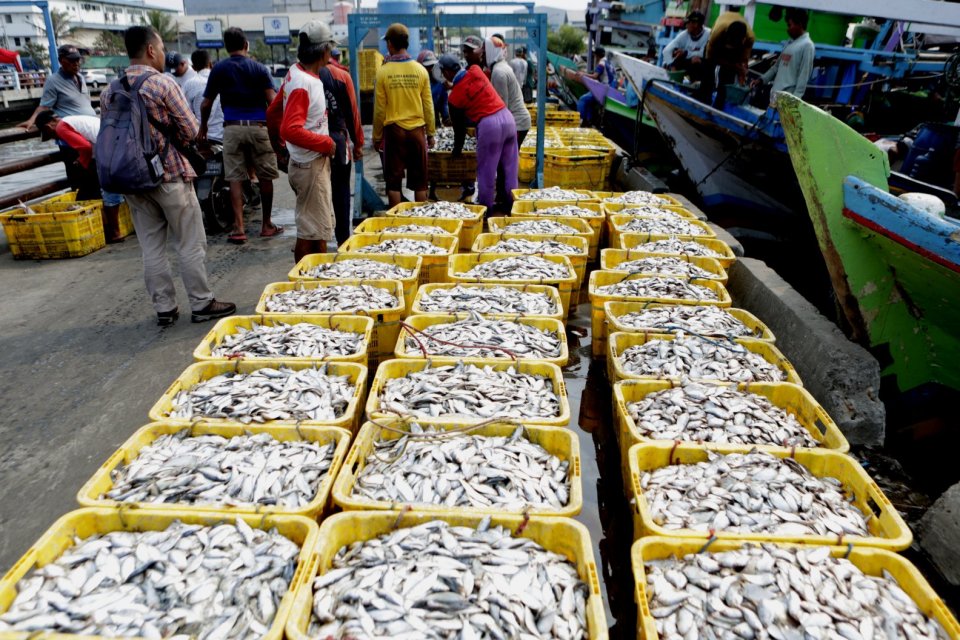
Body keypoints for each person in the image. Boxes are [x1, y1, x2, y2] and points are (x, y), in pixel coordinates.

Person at [101, 25, 235, 326]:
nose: (164, 55)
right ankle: (202, 303)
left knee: (151, 247)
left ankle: (164, 308)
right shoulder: (162, 84)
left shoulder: (110, 89)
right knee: (189, 242)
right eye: (161, 49)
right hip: (170, 176)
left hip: (132, 181)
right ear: (150, 50)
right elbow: (190, 130)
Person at [200, 26, 282, 244]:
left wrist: (203, 128)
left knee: (235, 177)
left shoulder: (218, 70)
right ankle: (267, 225)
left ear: (226, 47)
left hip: (232, 128)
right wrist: (276, 131)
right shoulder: (258, 68)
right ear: (246, 45)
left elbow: (206, 103)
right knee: (265, 176)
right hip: (258, 126)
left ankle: (238, 228)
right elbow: (273, 102)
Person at [267, 20, 337, 262]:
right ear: (324, 51)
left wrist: (280, 149)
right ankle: (306, 286)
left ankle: (318, 277)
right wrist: (326, 144)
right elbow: (291, 129)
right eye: (330, 48)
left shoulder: (294, 72)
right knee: (309, 232)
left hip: (303, 163)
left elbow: (273, 113)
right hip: (310, 167)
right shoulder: (306, 83)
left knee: (317, 227)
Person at [443, 51, 518, 211]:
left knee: (486, 172)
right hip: (508, 118)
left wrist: (456, 151)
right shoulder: (476, 70)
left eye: (443, 72)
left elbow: (460, 130)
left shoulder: (453, 98)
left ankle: (486, 210)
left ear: (447, 72)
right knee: (510, 169)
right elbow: (468, 76)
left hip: (490, 126)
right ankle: (513, 206)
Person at [34, 111, 124, 243]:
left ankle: (115, 233)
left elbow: (85, 147)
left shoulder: (61, 127)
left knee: (108, 191)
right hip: (113, 143)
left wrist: (81, 162)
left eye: (51, 136)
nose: (55, 138)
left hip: (108, 149)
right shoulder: (71, 120)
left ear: (48, 127)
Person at [372, 23, 435, 207]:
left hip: (394, 133)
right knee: (420, 182)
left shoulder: (383, 72)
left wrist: (377, 137)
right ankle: (420, 222)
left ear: (390, 44)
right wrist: (431, 133)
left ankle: (397, 221)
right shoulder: (420, 70)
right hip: (417, 132)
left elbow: (379, 111)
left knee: (393, 183)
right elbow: (428, 106)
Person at [319, 35, 362, 246]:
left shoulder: (297, 76)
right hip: (337, 140)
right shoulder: (341, 76)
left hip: (308, 143)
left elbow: (276, 112)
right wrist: (358, 144)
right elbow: (352, 114)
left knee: (313, 194)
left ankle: (314, 240)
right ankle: (343, 239)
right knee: (341, 191)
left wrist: (281, 145)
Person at [485, 36, 530, 211]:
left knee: (506, 163)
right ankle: (504, 198)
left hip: (517, 122)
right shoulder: (501, 67)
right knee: (505, 163)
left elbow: (501, 106)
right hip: (517, 120)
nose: (482, 55)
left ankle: (506, 201)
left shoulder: (498, 73)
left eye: (484, 51)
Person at [18, 45, 96, 129]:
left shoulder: (80, 77)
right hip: (73, 130)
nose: (76, 64)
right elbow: (44, 106)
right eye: (71, 60)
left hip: (90, 126)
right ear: (61, 61)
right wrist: (31, 120)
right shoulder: (53, 81)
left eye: (77, 60)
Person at [756, 8, 815, 101]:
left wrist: (795, 99)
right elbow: (776, 67)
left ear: (799, 25)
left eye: (789, 25)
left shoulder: (807, 45)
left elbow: (804, 75)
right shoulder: (789, 43)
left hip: (787, 100)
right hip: (774, 96)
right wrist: (762, 79)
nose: (787, 29)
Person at [699, 11, 755, 108]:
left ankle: (719, 105)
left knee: (727, 77)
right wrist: (732, 65)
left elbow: (744, 59)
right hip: (716, 44)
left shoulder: (750, 38)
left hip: (735, 44)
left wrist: (742, 72)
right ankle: (703, 100)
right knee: (708, 73)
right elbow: (710, 57)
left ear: (743, 40)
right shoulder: (717, 32)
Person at [418, 49, 447, 202]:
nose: (430, 69)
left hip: (433, 122)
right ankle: (424, 189)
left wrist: (447, 116)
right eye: (427, 66)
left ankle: (433, 188)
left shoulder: (439, 83)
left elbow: (443, 102)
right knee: (422, 161)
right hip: (418, 123)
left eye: (432, 66)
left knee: (434, 158)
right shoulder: (417, 80)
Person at [182, 49, 224, 143]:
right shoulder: (223, 80)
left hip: (201, 139)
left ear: (193, 67)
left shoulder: (189, 84)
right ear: (210, 64)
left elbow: (185, 113)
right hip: (224, 137)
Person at [661, 11, 710, 77]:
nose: (686, 25)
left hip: (702, 65)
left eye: (689, 23)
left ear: (696, 24)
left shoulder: (709, 34)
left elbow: (702, 53)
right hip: (688, 62)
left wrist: (686, 53)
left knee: (697, 61)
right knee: (673, 60)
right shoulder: (684, 34)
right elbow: (666, 51)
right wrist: (672, 65)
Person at [576, 46, 615, 127]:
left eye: (595, 55)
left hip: (603, 89)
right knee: (590, 102)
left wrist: (583, 74)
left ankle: (581, 120)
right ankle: (589, 120)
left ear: (597, 55)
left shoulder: (601, 63)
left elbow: (595, 76)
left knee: (582, 100)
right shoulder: (609, 63)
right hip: (610, 88)